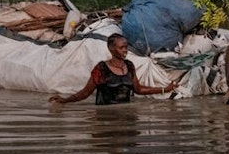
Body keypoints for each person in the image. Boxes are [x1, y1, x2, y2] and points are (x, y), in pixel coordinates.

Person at [50, 34, 179, 105]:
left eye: (126, 47)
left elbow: (138, 89)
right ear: (111, 49)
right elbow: (85, 94)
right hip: (106, 117)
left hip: (127, 117)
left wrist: (165, 89)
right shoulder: (101, 69)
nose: (125, 50)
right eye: (121, 47)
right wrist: (64, 100)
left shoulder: (129, 66)